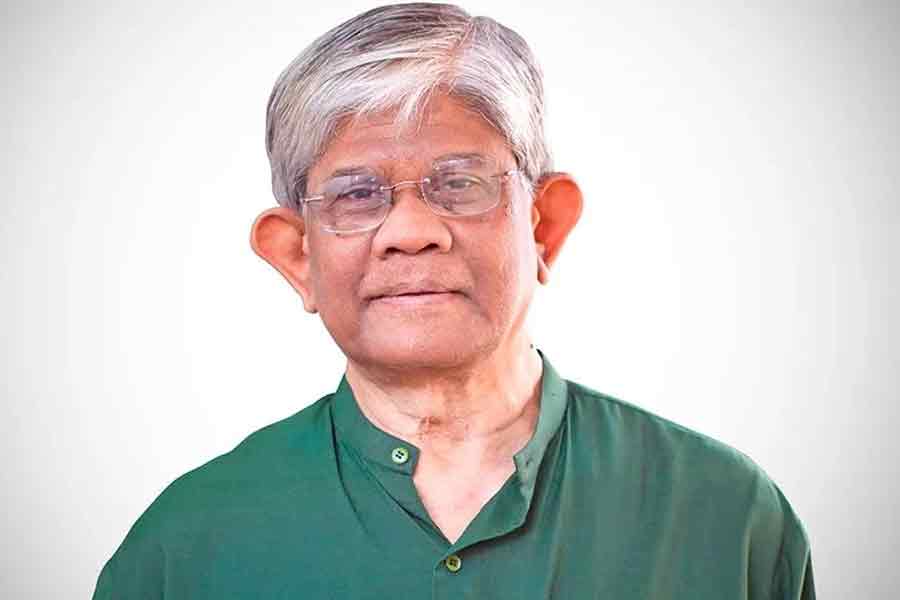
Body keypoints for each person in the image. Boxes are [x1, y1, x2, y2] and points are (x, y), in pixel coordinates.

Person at [92, 3, 815, 598]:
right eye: (357, 195)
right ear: (298, 257)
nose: (410, 233)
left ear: (544, 226)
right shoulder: (187, 546)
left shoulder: (725, 516)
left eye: (460, 183)